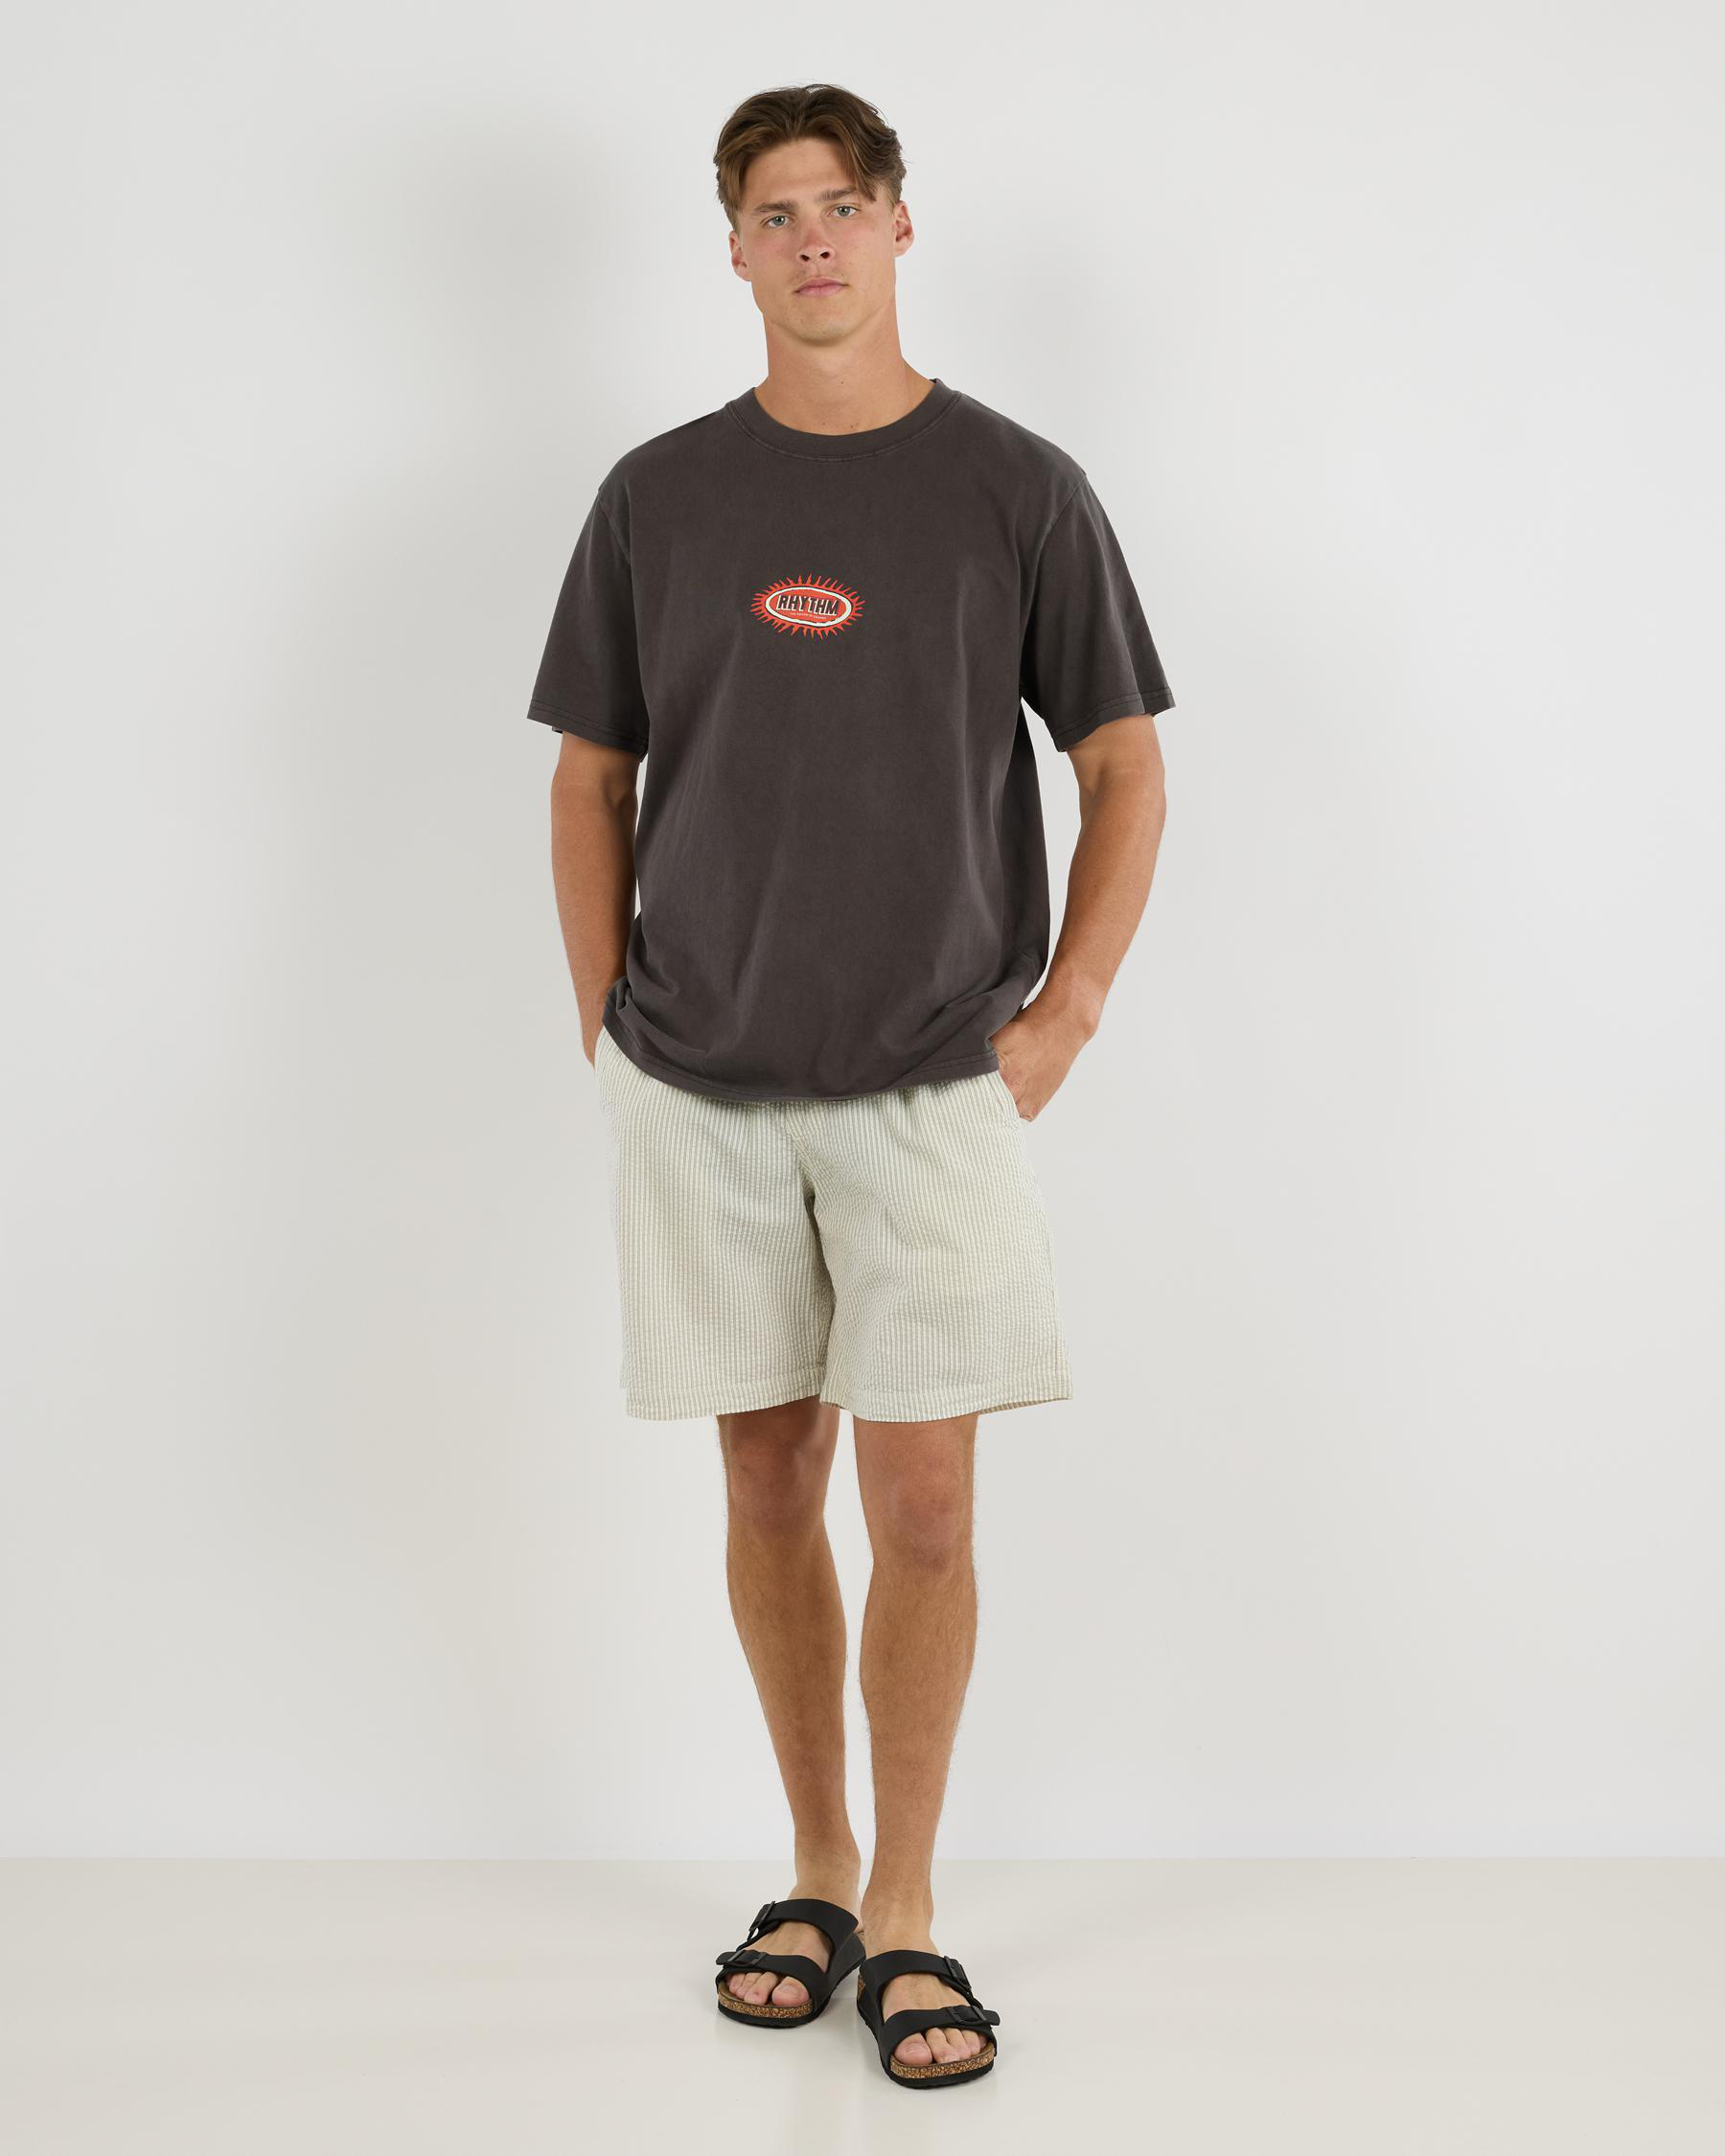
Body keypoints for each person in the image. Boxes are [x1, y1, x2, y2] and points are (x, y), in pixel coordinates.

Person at [526, 82, 1175, 2091]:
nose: (812, 240)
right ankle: (811, 1871)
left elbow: (1124, 764)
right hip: (702, 1082)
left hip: (933, 1081)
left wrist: (1064, 1015)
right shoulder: (656, 496)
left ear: (901, 228)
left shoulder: (1018, 486)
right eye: (774, 212)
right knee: (763, 1478)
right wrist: (603, 1025)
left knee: (930, 1505)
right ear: (732, 249)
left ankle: (905, 1906)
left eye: (844, 204)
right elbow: (590, 777)